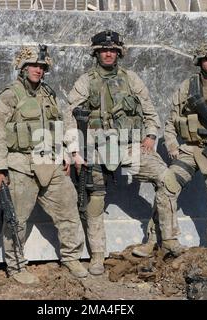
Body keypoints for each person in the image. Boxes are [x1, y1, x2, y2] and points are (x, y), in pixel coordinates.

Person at [65, 30, 176, 275]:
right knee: (95, 201)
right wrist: (75, 151)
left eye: (113, 50)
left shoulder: (132, 79)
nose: (108, 53)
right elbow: (70, 117)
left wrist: (150, 135)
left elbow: (149, 110)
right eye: (104, 50)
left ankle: (159, 240)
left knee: (166, 179)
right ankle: (97, 256)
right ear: (96, 53)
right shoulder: (86, 81)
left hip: (129, 147)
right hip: (96, 148)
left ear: (119, 53)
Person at [132, 39, 207, 256]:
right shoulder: (188, 86)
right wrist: (171, 145)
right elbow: (170, 121)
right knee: (167, 185)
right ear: (199, 61)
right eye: (206, 59)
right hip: (190, 150)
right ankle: (154, 240)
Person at [0, 45, 88, 284]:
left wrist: (66, 152)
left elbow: (60, 125)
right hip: (20, 165)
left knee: (68, 208)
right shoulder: (10, 95)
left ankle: (71, 257)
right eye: (33, 65)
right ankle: (16, 266)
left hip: (49, 161)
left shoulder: (48, 94)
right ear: (22, 67)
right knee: (16, 220)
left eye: (42, 66)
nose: (38, 70)